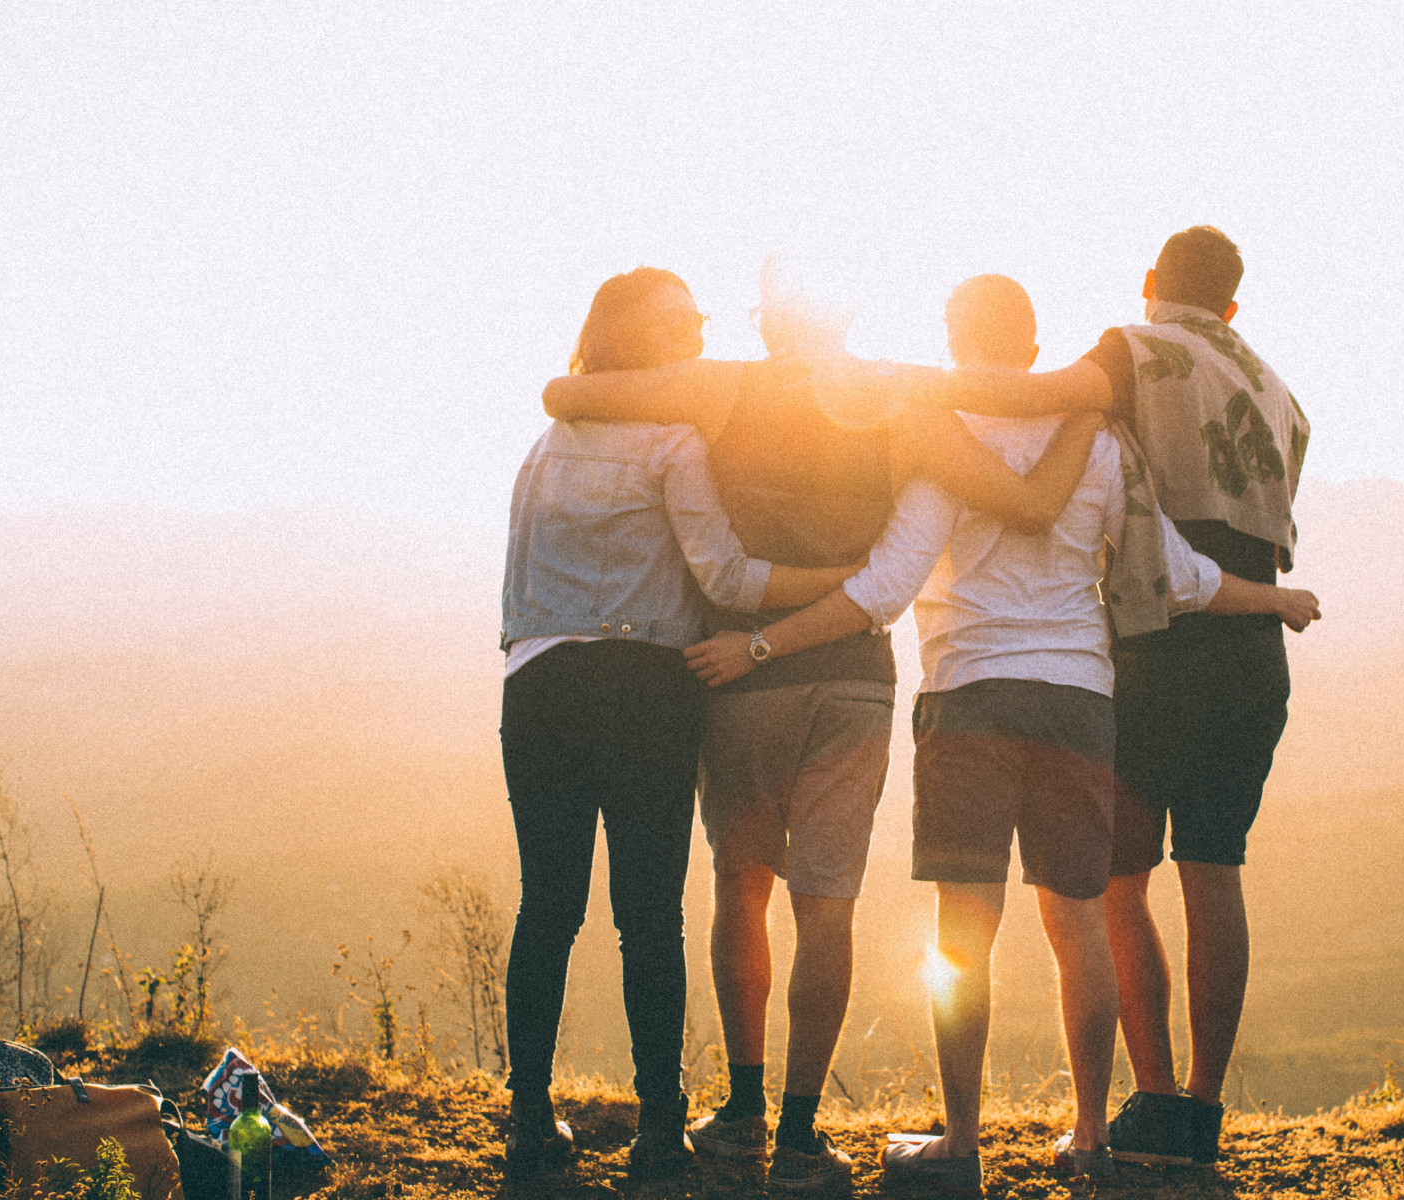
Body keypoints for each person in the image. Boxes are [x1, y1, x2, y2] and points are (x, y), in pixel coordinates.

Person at [683, 275, 1318, 1193]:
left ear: (953, 340)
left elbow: (886, 588)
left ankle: (961, 1141)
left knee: (963, 932)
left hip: (967, 699)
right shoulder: (1100, 441)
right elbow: (1176, 574)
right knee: (1079, 921)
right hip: (1078, 701)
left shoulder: (942, 438)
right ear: (1033, 347)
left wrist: (762, 643)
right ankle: (1090, 1137)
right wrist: (1273, 599)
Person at [540, 257, 1102, 1191]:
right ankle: (802, 1135)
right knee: (826, 906)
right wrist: (1089, 402)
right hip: (853, 680)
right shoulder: (899, 400)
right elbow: (1025, 501)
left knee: (741, 887)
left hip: (740, 675)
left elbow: (570, 395)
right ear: (846, 314)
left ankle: (743, 1112)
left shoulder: (719, 388)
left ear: (768, 320)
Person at [906, 229, 1315, 1167]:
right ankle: (1199, 1114)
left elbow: (1034, 397)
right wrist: (1273, 600)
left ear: (1149, 283)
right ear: (1233, 305)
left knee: (1116, 885)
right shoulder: (1279, 391)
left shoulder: (1135, 350)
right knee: (1215, 869)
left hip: (1157, 640)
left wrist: (897, 386)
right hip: (1250, 642)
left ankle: (1151, 1101)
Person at [496, 267, 863, 1186]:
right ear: (635, 338)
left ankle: (529, 1117)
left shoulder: (545, 446)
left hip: (536, 685)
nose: (698, 332)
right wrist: (846, 583)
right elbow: (728, 579)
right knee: (649, 915)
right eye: (679, 322)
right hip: (644, 688)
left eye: (698, 316)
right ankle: (660, 1126)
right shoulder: (673, 441)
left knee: (547, 907)